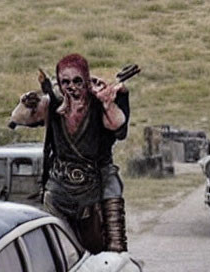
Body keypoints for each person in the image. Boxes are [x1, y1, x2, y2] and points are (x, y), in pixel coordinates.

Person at [9, 53, 130, 252]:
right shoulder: (52, 104)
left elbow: (117, 124)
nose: (71, 87)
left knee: (112, 188)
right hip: (61, 183)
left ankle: (117, 250)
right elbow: (19, 117)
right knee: (54, 231)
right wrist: (25, 103)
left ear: (86, 80)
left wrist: (107, 102)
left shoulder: (99, 102)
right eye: (65, 82)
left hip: (96, 176)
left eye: (77, 81)